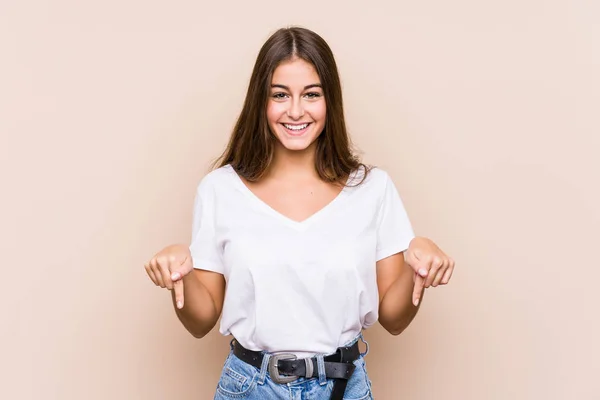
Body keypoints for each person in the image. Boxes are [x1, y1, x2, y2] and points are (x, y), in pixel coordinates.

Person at [144, 26, 455, 400]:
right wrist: (181, 275)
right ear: (262, 101)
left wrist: (417, 265)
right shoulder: (220, 190)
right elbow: (200, 321)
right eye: (280, 95)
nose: (295, 111)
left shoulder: (373, 190)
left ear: (330, 101)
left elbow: (395, 318)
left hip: (344, 386)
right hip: (250, 388)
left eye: (311, 94)